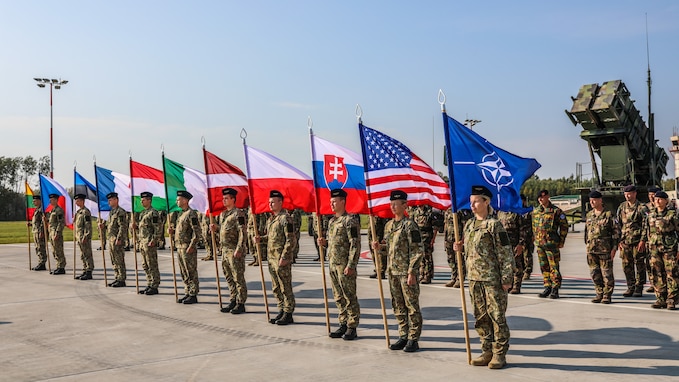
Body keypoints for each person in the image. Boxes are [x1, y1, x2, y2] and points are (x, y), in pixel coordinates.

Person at [453, 185, 514, 369]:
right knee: (480, 317)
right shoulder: (469, 224)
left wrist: (506, 278)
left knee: (496, 316)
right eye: (471, 202)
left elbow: (505, 253)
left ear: (486, 202)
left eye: (476, 201)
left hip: (492, 280)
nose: (472, 205)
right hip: (474, 279)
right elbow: (471, 250)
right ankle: (486, 350)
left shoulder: (494, 225)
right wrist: (459, 247)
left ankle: (499, 353)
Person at [372, 190, 423, 353]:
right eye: (391, 204)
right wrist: (380, 248)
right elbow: (390, 249)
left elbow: (417, 250)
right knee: (398, 305)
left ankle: (413, 338)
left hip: (406, 273)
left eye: (396, 204)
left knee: (411, 306)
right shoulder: (389, 225)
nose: (393, 206)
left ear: (404, 205)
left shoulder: (410, 225)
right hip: (393, 272)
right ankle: (403, 335)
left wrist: (412, 272)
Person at [317, 189, 361, 340]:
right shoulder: (332, 221)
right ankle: (343, 323)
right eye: (331, 202)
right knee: (338, 296)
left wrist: (351, 265)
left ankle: (352, 326)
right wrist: (324, 243)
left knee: (349, 296)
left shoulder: (350, 221)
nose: (332, 204)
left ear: (343, 201)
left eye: (334, 201)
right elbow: (335, 243)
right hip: (333, 264)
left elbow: (355, 244)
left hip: (344, 265)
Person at [257, 190, 296, 325]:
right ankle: (281, 309)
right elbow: (271, 238)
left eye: (273, 202)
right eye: (269, 202)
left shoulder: (286, 218)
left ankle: (288, 312)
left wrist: (285, 256)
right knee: (276, 287)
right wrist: (260, 239)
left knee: (285, 286)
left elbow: (291, 239)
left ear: (280, 202)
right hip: (271, 258)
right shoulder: (271, 219)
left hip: (281, 259)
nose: (271, 204)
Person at [211, 188, 248, 314]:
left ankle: (241, 302)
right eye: (223, 198)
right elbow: (223, 229)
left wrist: (239, 248)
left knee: (238, 277)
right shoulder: (223, 214)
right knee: (229, 277)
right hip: (225, 250)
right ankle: (233, 299)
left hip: (234, 250)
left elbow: (242, 232)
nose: (224, 200)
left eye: (226, 198)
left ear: (233, 199)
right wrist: (216, 229)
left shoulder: (239, 214)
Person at [640, 190, 679, 310]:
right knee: (657, 273)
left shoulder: (672, 215)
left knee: (671, 273)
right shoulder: (650, 214)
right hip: (654, 249)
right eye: (656, 199)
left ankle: (672, 299)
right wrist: (644, 243)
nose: (657, 201)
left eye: (660, 199)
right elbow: (646, 230)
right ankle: (661, 298)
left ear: (666, 201)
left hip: (669, 249)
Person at [532, 190, 569, 299]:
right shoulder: (536, 212)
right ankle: (547, 286)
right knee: (544, 267)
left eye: (542, 197)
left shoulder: (556, 211)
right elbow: (534, 227)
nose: (540, 199)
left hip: (551, 244)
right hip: (540, 244)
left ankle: (555, 288)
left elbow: (564, 226)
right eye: (539, 197)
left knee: (554, 267)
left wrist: (562, 241)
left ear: (548, 197)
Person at [585, 191, 620, 304]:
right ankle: (599, 293)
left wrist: (614, 248)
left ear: (600, 200)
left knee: (607, 274)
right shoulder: (589, 215)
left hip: (605, 249)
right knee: (594, 273)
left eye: (594, 200)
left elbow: (616, 232)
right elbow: (587, 232)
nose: (592, 202)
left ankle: (607, 295)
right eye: (590, 200)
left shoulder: (609, 214)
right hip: (591, 250)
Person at [169, 190, 203, 304]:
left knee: (190, 271)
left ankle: (193, 294)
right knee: (184, 271)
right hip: (180, 247)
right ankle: (187, 291)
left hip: (187, 247)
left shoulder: (191, 213)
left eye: (178, 200)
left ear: (185, 200)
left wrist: (192, 245)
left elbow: (197, 232)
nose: (176, 201)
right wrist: (172, 231)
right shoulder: (181, 214)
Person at [616, 185, 648, 297]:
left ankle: (639, 287)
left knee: (639, 265)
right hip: (625, 242)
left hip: (637, 241)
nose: (627, 196)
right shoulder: (622, 207)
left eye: (629, 193)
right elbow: (618, 225)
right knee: (626, 266)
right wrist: (619, 240)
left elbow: (646, 225)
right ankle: (630, 286)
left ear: (635, 194)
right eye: (625, 194)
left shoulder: (641, 207)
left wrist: (643, 241)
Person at [135, 192, 162, 295]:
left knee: (152, 265)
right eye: (141, 200)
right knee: (145, 265)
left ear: (149, 200)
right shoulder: (142, 213)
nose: (142, 202)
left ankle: (154, 285)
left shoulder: (153, 213)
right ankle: (149, 283)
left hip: (149, 243)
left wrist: (154, 240)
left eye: (144, 200)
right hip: (142, 242)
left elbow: (158, 228)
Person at [99, 192, 128, 287]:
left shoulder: (120, 212)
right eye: (109, 200)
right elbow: (112, 226)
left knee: (119, 260)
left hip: (117, 240)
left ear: (116, 200)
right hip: (111, 239)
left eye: (110, 200)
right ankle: (117, 277)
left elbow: (122, 226)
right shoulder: (112, 212)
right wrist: (104, 226)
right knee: (114, 260)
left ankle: (121, 279)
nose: (109, 202)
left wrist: (119, 238)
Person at [496, 210, 528, 294]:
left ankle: (516, 286)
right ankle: (509, 284)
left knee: (517, 265)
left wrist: (521, 244)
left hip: (514, 243)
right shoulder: (500, 213)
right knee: (505, 265)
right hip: (503, 244)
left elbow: (523, 229)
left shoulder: (516, 213)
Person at [407, 205, 436, 284]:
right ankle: (421, 274)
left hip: (427, 237)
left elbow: (434, 227)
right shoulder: (415, 212)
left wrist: (433, 239)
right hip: (418, 237)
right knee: (420, 257)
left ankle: (428, 275)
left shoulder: (429, 212)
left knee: (427, 257)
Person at [444, 208, 472, 288]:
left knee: (459, 259)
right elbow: (446, 225)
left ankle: (460, 279)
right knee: (451, 259)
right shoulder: (447, 210)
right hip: (449, 238)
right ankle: (454, 277)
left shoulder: (460, 210)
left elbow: (465, 226)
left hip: (457, 239)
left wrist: (462, 240)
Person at [73, 194, 94, 280]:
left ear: (82, 201)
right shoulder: (78, 212)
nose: (76, 202)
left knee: (87, 254)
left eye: (77, 201)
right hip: (79, 236)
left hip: (84, 237)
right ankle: (85, 269)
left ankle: (89, 271)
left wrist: (86, 236)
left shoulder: (86, 212)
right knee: (83, 254)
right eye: (76, 201)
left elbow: (88, 225)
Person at [644, 186, 660, 293]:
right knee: (649, 263)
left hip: (661, 242)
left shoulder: (664, 206)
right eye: (650, 195)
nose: (651, 197)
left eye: (653, 194)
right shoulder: (646, 207)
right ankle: (652, 283)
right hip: (649, 240)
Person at [47, 193, 66, 275]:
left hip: (56, 233)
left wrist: (57, 233)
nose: (50, 201)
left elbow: (61, 222)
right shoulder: (52, 210)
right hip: (51, 233)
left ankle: (61, 267)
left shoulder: (59, 210)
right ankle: (58, 266)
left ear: (56, 200)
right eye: (50, 199)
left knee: (58, 250)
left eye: (52, 199)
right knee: (54, 251)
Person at [29, 195, 48, 271]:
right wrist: (31, 224)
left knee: (41, 247)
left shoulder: (41, 210)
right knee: (37, 248)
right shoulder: (36, 210)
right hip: (35, 231)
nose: (34, 202)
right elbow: (36, 221)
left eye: (35, 201)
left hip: (40, 232)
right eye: (33, 201)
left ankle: (42, 263)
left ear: (40, 201)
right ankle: (40, 262)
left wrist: (42, 231)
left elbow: (43, 222)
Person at [520, 195, 535, 280]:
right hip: (519, 236)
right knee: (520, 256)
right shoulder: (516, 210)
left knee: (527, 255)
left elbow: (534, 223)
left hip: (528, 236)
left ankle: (527, 271)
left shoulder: (529, 211)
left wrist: (533, 235)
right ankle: (521, 271)